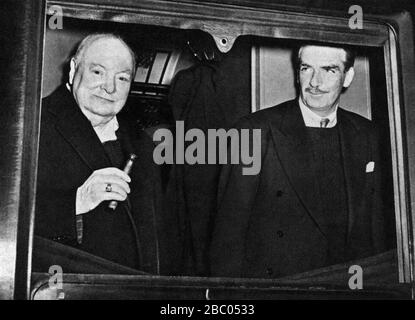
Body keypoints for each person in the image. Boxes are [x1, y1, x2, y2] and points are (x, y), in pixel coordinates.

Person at [210, 44, 387, 278]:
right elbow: (228, 237)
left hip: (344, 285)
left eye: (329, 70)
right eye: (307, 68)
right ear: (298, 72)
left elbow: (374, 231)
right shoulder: (253, 131)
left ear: (348, 77)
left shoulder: (366, 133)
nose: (315, 81)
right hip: (279, 286)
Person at [35, 33, 182, 275]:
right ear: (73, 70)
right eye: (98, 72)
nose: (110, 87)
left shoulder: (141, 141)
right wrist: (78, 201)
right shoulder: (30, 124)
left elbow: (160, 237)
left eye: (122, 78)